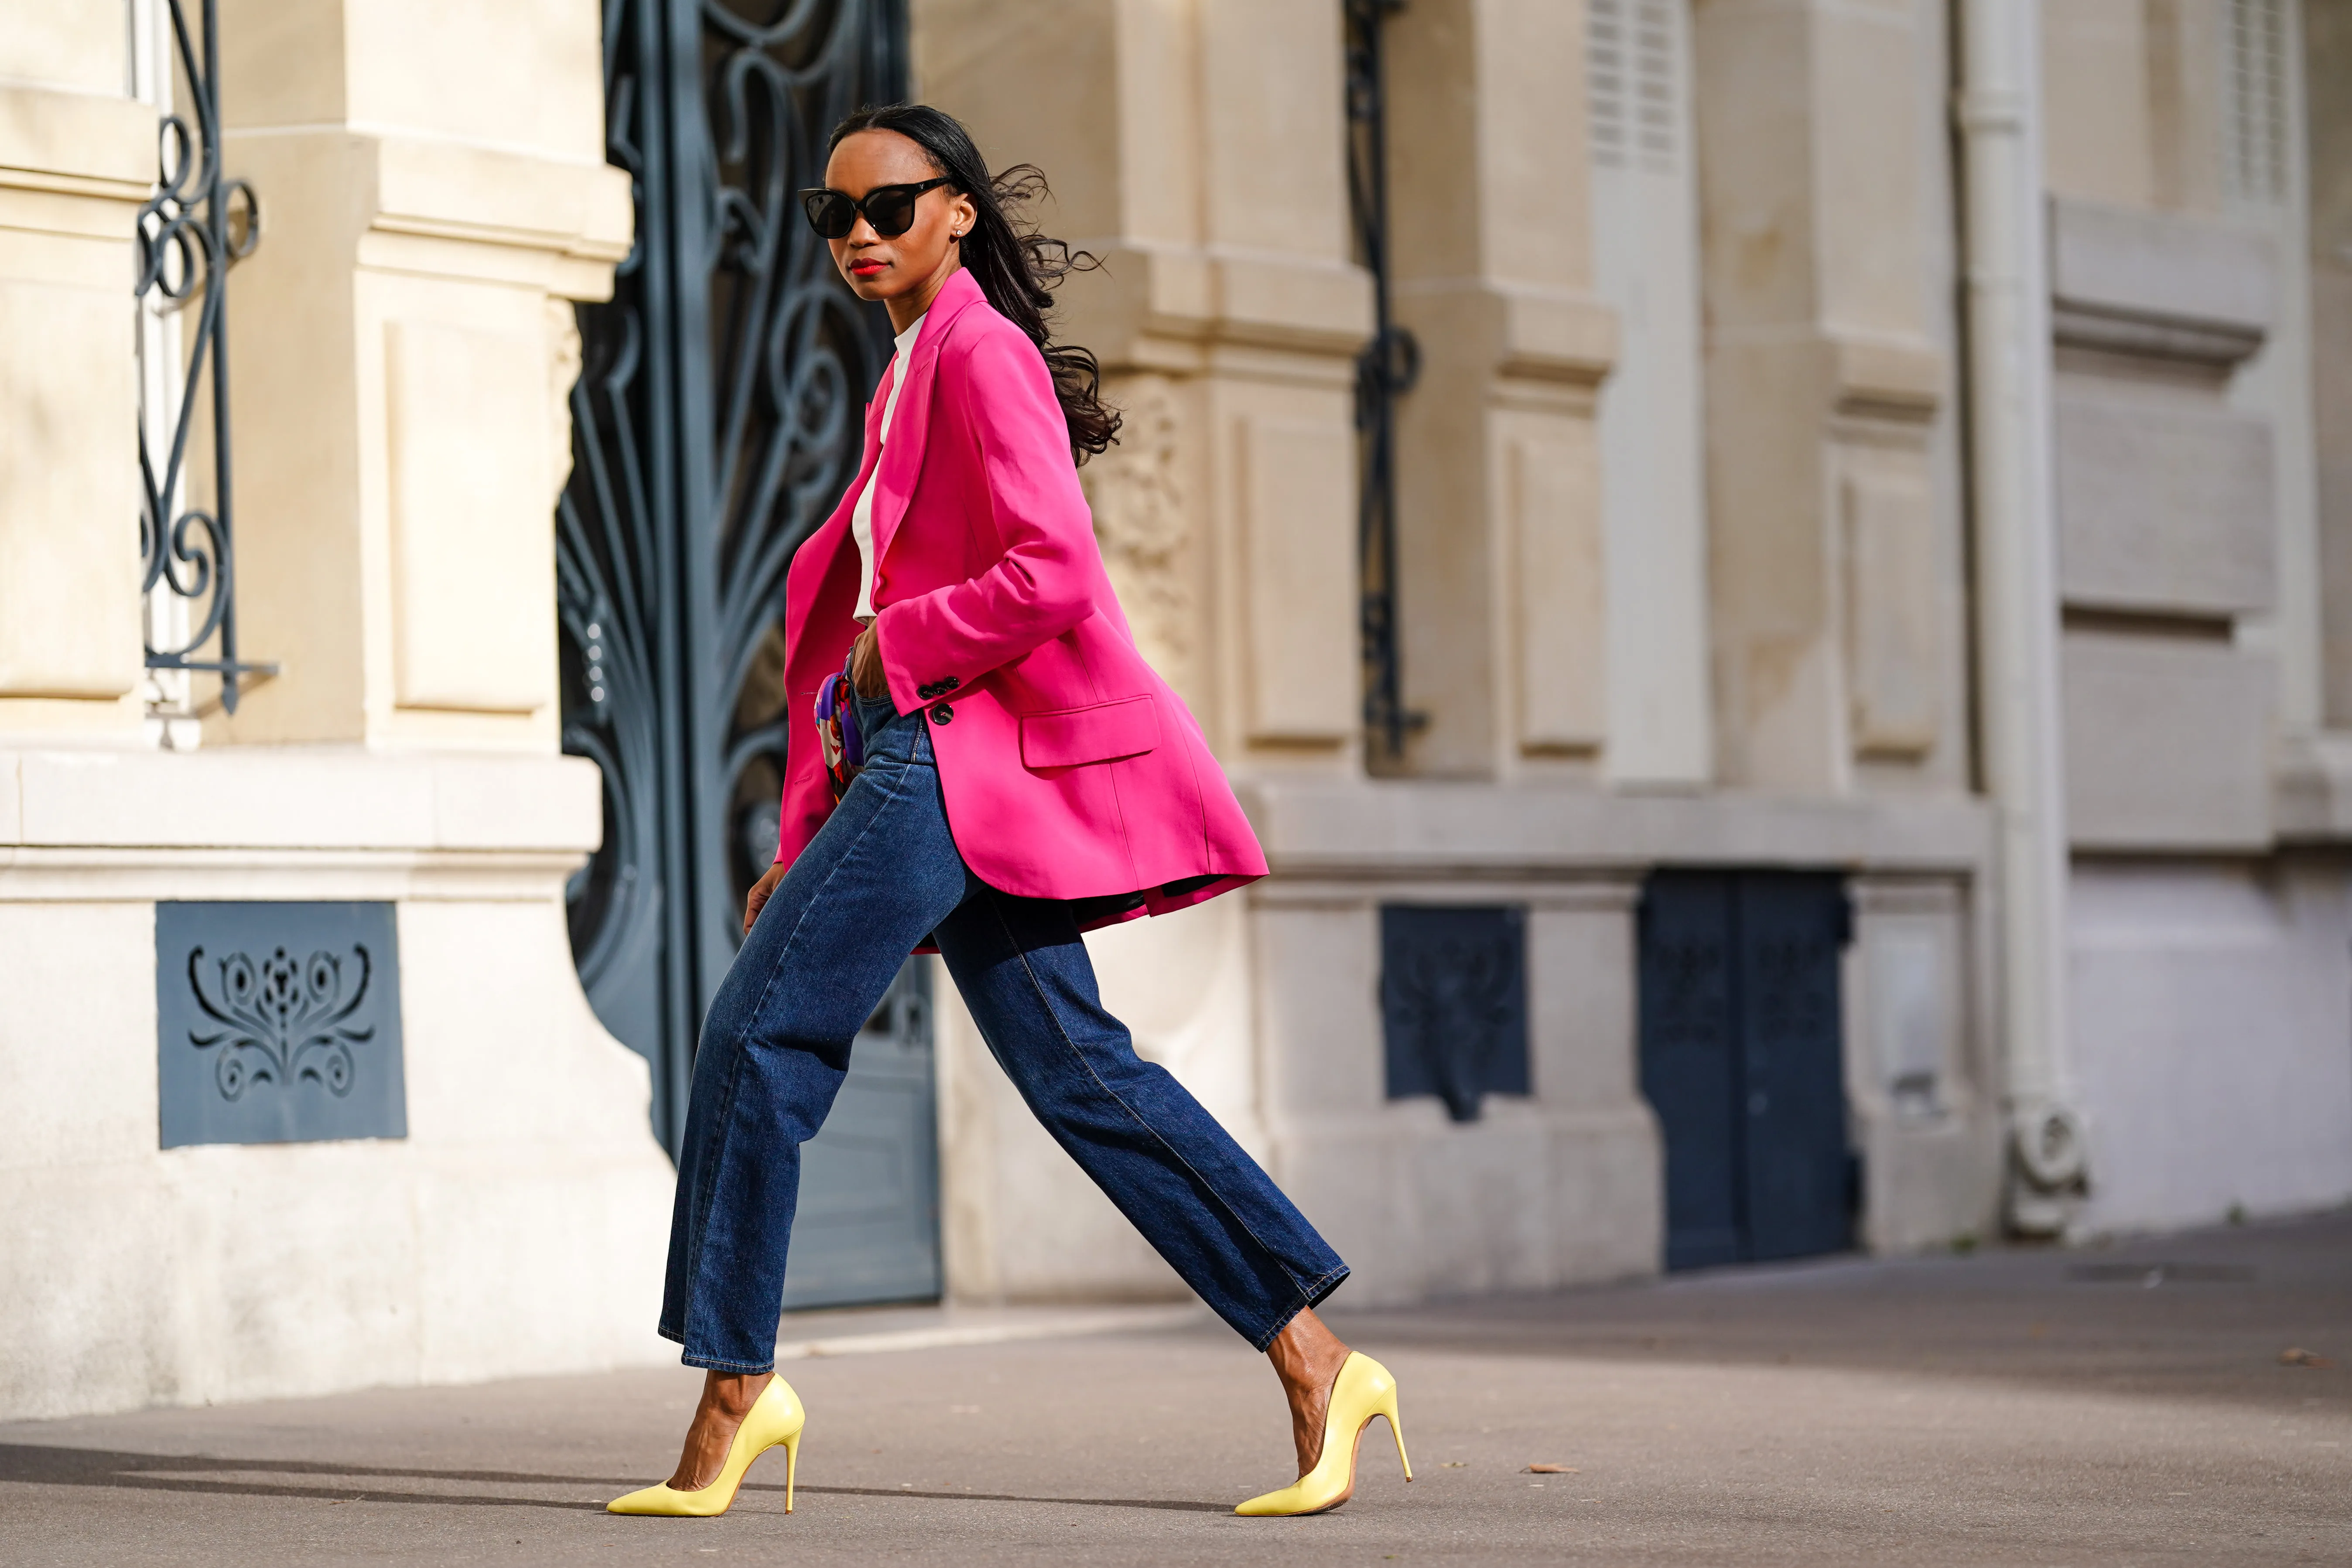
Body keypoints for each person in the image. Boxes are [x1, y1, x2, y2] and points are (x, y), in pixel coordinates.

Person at [604, 103, 1410, 1521]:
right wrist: (806, 840)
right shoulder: (915, 368)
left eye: (889, 206)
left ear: (957, 210)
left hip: (953, 758)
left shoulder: (979, 356)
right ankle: (1317, 1355)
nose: (858, 235)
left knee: (757, 1033)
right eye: (831, 216)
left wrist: (889, 647)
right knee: (1084, 1078)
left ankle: (737, 1386)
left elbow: (1051, 574)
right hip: (934, 766)